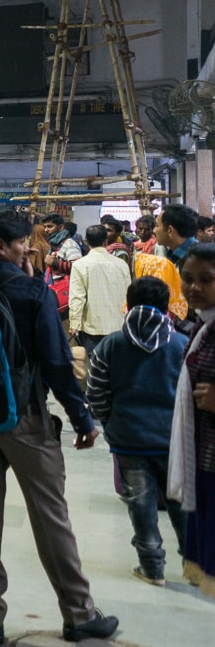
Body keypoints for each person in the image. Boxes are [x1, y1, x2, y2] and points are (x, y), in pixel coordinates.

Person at [0, 208, 117, 646]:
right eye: (22, 241)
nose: (29, 246)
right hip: (26, 419)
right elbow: (57, 363)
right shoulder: (34, 292)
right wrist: (82, 418)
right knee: (51, 517)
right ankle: (79, 616)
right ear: (1, 247)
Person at [85, 275, 188, 586]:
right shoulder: (183, 345)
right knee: (181, 504)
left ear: (127, 304)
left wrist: (110, 420)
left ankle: (152, 567)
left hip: (128, 438)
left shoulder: (111, 344)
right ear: (167, 307)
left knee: (140, 504)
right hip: (173, 438)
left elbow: (96, 392)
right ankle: (195, 564)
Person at [171, 241, 215, 599]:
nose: (194, 288)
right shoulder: (202, 326)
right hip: (203, 459)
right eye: (187, 279)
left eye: (206, 279)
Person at [69, 225, 132, 356]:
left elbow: (77, 298)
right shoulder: (121, 264)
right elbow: (129, 296)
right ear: (105, 241)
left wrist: (74, 323)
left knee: (96, 369)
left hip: (92, 328)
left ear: (86, 241)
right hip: (119, 326)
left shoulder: (80, 265)